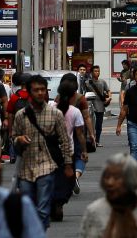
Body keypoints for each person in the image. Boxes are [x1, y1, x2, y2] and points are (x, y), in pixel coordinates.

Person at [10, 75, 73, 230]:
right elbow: (13, 138)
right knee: (27, 207)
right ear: (29, 92)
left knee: (43, 209)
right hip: (26, 167)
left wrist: (68, 164)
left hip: (47, 165)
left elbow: (65, 141)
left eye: (42, 90)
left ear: (46, 92)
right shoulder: (21, 115)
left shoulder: (55, 114)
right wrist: (19, 140)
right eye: (36, 90)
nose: (39, 93)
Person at [79, 153, 137, 238]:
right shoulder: (94, 210)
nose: (110, 182)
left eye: (117, 177)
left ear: (131, 179)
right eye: (107, 177)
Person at [50, 77, 88, 222]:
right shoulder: (75, 112)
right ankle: (59, 202)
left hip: (51, 151)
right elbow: (79, 134)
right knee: (68, 180)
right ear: (73, 95)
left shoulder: (50, 109)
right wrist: (84, 151)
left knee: (52, 177)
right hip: (69, 151)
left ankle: (53, 201)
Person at [81, 65, 111, 146]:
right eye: (95, 71)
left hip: (100, 106)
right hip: (90, 106)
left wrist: (109, 98)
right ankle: (91, 139)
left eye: (98, 71)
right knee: (90, 124)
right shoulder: (87, 83)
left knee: (99, 125)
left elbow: (108, 91)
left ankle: (97, 140)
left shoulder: (102, 82)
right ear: (91, 72)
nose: (97, 72)